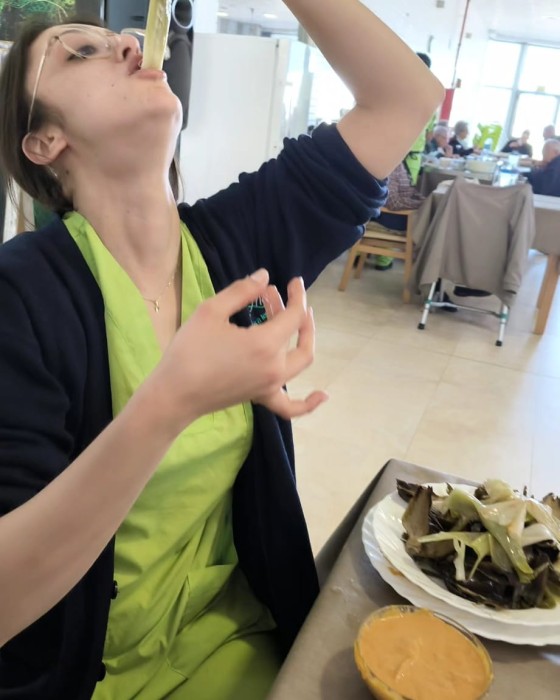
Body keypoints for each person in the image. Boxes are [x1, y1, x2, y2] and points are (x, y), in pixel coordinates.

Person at [0, 4, 443, 700]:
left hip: (240, 642)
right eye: (79, 53)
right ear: (44, 142)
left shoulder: (238, 240)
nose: (128, 44)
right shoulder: (20, 295)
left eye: (118, 36)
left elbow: (404, 97)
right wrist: (170, 403)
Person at [372, 162, 425, 270]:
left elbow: (409, 191)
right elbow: (393, 203)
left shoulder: (398, 163)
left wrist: (424, 201)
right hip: (386, 216)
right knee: (433, 222)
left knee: (433, 217)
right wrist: (421, 204)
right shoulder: (390, 165)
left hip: (389, 213)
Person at [404, 51, 437, 185]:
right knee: (405, 191)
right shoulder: (432, 96)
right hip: (413, 155)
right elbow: (429, 135)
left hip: (391, 152)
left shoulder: (398, 88)